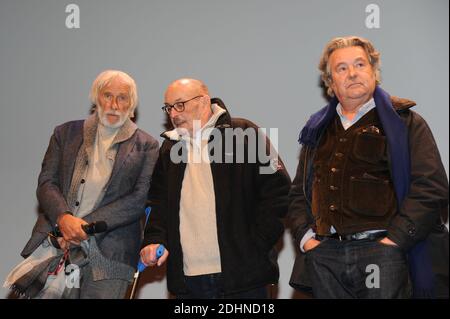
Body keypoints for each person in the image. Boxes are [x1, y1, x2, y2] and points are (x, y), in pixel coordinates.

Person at [288, 36, 449, 298]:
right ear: (330, 82)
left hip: (383, 254)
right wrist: (307, 240)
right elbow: (298, 193)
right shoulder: (316, 129)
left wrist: (394, 241)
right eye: (341, 68)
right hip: (325, 255)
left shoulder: (404, 121)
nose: (352, 73)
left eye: (360, 64)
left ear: (373, 71)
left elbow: (431, 186)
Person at [4, 70, 159, 298]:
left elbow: (138, 199)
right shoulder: (65, 133)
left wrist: (81, 227)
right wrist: (64, 219)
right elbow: (46, 182)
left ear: (132, 104)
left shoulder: (147, 145)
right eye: (107, 95)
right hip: (58, 242)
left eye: (122, 97)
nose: (114, 104)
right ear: (96, 98)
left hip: (111, 256)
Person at [140, 78, 291, 299]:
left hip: (243, 279)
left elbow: (278, 191)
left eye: (180, 104)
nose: (173, 114)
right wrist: (154, 239)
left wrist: (255, 243)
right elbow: (158, 203)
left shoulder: (244, 133)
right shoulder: (169, 149)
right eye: (168, 107)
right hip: (188, 280)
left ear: (203, 101)